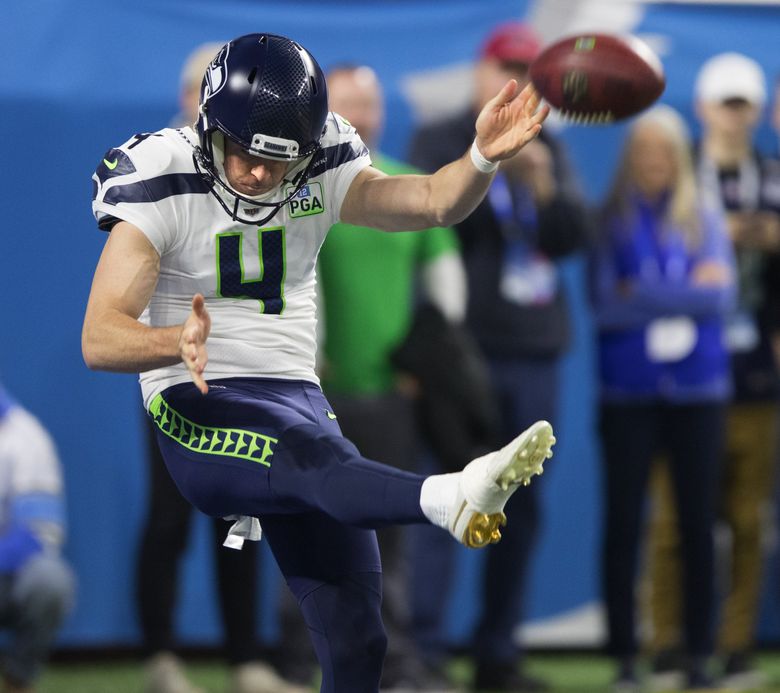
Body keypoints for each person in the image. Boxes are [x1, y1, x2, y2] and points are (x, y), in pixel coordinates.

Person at [81, 32, 555, 693]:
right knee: (316, 458)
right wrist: (172, 343)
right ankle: (449, 494)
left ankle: (444, 498)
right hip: (197, 400)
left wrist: (479, 157)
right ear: (210, 124)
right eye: (245, 152)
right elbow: (99, 337)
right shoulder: (162, 174)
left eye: (278, 161)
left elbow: (431, 202)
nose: (257, 174)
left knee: (357, 630)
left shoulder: (324, 159)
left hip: (298, 397)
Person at [407, 21, 589, 692]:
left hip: (534, 347)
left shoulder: (551, 146)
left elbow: (572, 237)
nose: (515, 79)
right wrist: (487, 162)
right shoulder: (442, 135)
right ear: (482, 75)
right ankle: (425, 649)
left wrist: (540, 182)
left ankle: (497, 651)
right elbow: (435, 220)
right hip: (465, 350)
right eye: (505, 67)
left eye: (527, 68)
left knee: (521, 506)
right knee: (446, 493)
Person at [274, 63, 467, 692]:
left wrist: (425, 361)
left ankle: (397, 664)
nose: (362, 116)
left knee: (391, 532)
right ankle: (297, 661)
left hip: (387, 395)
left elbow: (445, 279)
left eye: (370, 105)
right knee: (302, 521)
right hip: (313, 391)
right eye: (349, 105)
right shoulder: (300, 185)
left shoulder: (406, 182)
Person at [135, 42, 306, 693]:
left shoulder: (261, 168)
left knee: (243, 513)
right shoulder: (158, 168)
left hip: (246, 364)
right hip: (172, 365)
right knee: (169, 511)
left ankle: (245, 658)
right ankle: (160, 654)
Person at [644, 53, 780, 691]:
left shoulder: (773, 177)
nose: (732, 115)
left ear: (757, 111)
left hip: (756, 372)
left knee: (748, 520)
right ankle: (668, 641)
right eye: (723, 103)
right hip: (687, 373)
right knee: (676, 518)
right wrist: (722, 234)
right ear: (703, 108)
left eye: (741, 104)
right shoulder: (677, 177)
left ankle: (734, 645)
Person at [590, 105, 736, 692]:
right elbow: (606, 306)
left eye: (663, 151)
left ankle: (699, 653)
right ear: (631, 158)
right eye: (644, 151)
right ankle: (627, 657)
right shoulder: (611, 220)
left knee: (698, 525)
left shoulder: (704, 216)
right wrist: (683, 291)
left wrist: (643, 289)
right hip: (628, 394)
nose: (653, 162)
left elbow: (720, 300)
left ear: (678, 158)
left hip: (699, 392)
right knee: (624, 525)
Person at [0, 383, 75, 693]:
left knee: (50, 581)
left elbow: (36, 538)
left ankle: (16, 680)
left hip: (6, 579)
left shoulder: (24, 436)